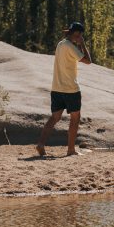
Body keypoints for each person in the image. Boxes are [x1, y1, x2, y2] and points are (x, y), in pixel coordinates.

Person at [36, 22, 92, 157]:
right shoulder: (70, 47)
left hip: (56, 88)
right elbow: (88, 60)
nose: (79, 37)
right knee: (75, 118)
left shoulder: (60, 44)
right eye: (79, 35)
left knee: (55, 117)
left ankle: (41, 144)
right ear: (77, 34)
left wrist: (77, 44)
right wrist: (82, 44)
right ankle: (71, 150)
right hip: (70, 89)